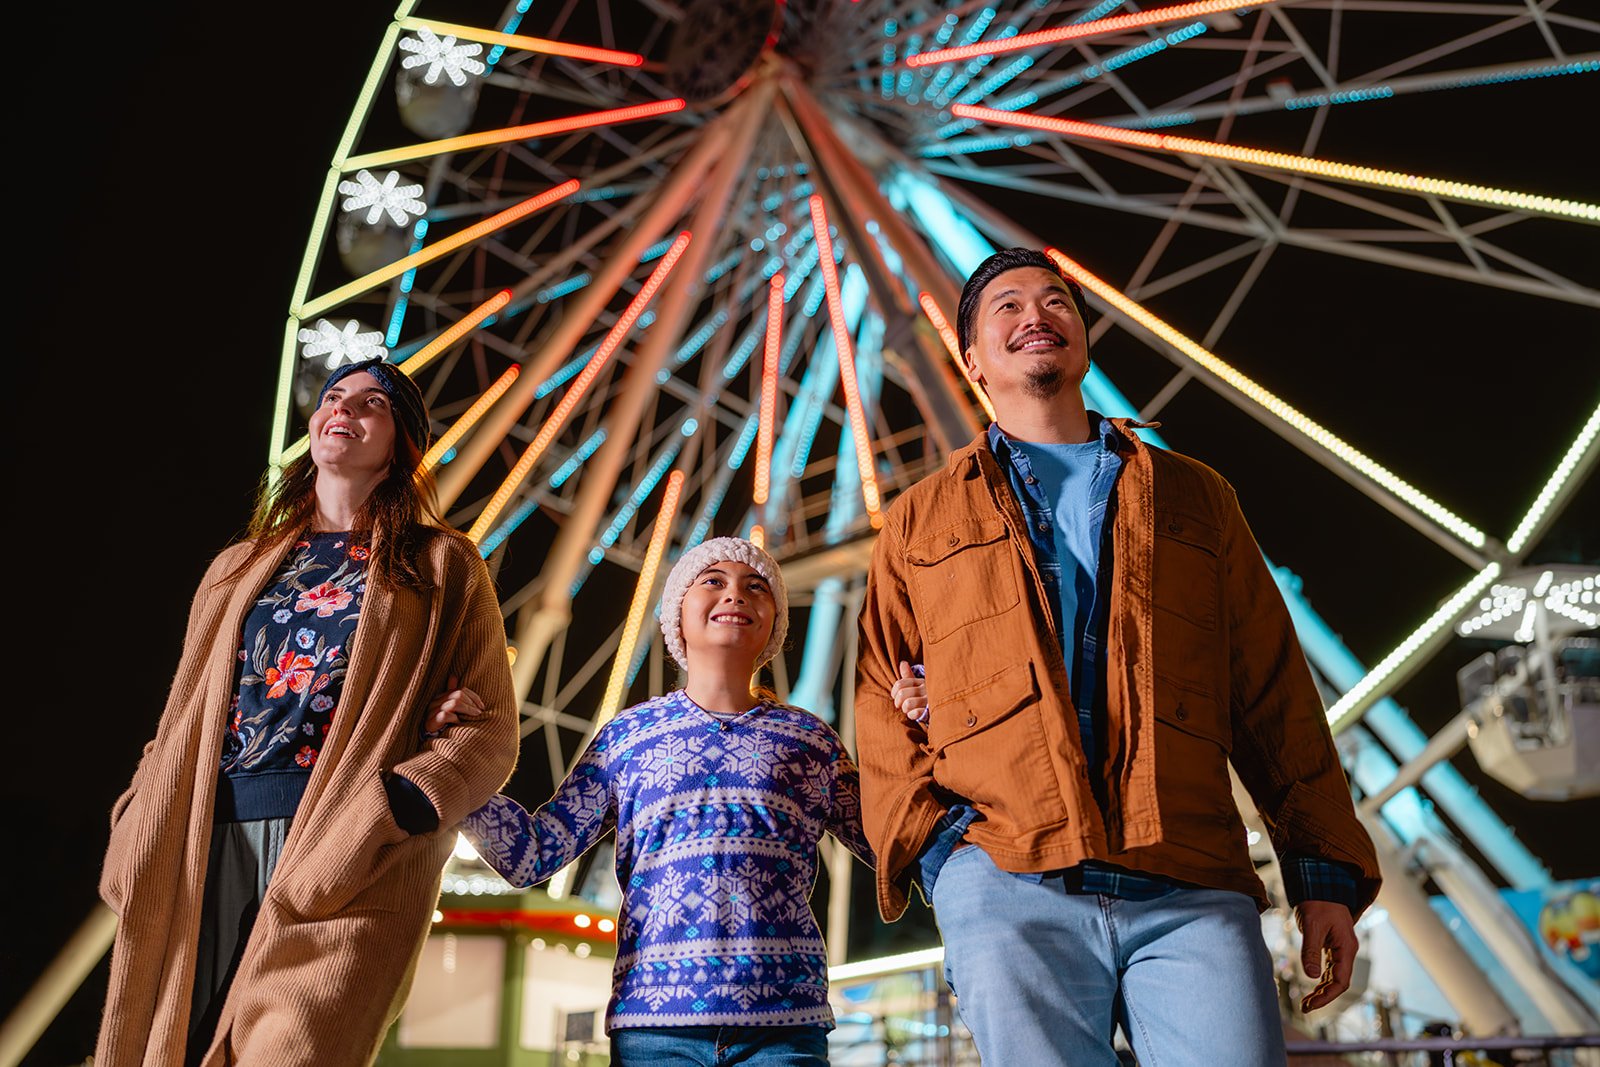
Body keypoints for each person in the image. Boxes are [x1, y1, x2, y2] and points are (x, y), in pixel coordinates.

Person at [853, 248, 1382, 1066]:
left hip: (1191, 874)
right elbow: (882, 706)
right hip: (1009, 874)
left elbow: (1271, 691)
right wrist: (944, 855)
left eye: (1056, 300)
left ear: (1082, 332)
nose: (1036, 315)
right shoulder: (918, 522)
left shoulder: (1195, 495)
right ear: (972, 359)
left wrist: (1322, 872)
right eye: (1008, 307)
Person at [96, 359, 520, 1067]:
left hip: (349, 845)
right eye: (332, 397)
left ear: (401, 443)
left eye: (372, 403)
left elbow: (490, 728)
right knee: (176, 1044)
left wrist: (403, 801)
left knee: (298, 1048)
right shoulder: (236, 567)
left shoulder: (442, 564)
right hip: (206, 835)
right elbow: (182, 716)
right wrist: (138, 816)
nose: (342, 408)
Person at [457, 537, 875, 1066]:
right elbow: (532, 855)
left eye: (756, 587)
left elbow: (890, 844)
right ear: (677, 611)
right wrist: (452, 762)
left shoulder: (810, 741)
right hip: (654, 1028)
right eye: (713, 581)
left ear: (775, 622)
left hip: (784, 1025)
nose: (735, 595)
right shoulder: (627, 738)